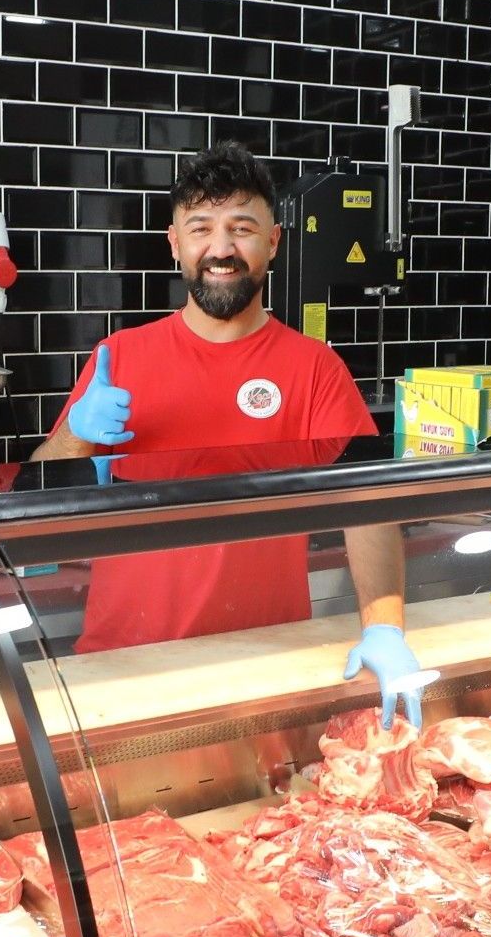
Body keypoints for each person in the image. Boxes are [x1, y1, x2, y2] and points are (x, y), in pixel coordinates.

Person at [29, 141, 426, 727]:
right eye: (201, 229)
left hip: (265, 664)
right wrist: (77, 437)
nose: (221, 249)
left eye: (242, 228)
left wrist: (385, 627)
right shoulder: (119, 357)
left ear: (273, 242)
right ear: (175, 245)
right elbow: (40, 498)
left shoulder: (315, 369)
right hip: (125, 662)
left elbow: (365, 502)